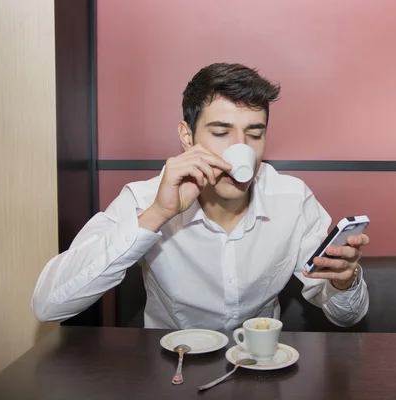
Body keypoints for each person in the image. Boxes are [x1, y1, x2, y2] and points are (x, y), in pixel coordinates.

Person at [32, 63, 369, 330]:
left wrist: (344, 282)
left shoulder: (291, 198)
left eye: (255, 134)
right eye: (221, 133)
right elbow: (48, 306)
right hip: (170, 367)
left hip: (259, 365)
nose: (242, 150)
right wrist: (156, 215)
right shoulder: (145, 197)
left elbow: (347, 317)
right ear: (187, 136)